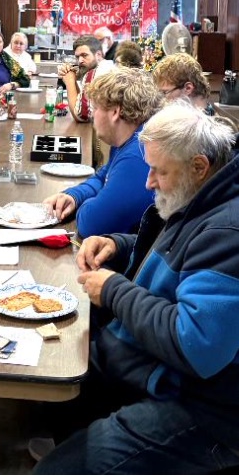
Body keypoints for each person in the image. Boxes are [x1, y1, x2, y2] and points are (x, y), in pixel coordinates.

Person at [33, 103, 239, 474]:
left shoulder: (227, 230)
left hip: (209, 409)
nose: (149, 183)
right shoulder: (203, 195)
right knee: (58, 364)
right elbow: (178, 256)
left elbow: (197, 345)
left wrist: (113, 289)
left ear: (198, 167)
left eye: (159, 172)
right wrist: (120, 244)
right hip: (161, 367)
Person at [43, 67, 164, 238]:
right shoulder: (127, 139)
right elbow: (102, 177)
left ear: (115, 112)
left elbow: (92, 224)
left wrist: (91, 201)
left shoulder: (138, 155)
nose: (92, 115)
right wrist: (74, 196)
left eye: (95, 108)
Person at [57, 35, 114, 123]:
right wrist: (73, 79)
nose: (80, 61)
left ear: (98, 54)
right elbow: (82, 104)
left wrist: (70, 81)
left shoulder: (95, 73)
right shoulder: (107, 65)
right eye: (77, 57)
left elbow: (81, 116)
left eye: (84, 55)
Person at [0, 29, 30, 97]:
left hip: (4, 100)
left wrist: (11, 85)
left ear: (3, 44)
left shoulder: (6, 59)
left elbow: (25, 79)